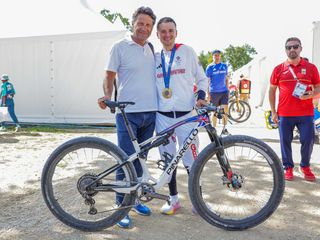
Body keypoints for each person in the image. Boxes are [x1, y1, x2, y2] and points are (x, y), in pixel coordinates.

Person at [98, 6, 157, 228]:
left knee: (141, 161)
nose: (144, 28)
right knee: (125, 161)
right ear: (133, 24)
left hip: (150, 113)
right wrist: (106, 95)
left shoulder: (151, 48)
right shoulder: (119, 47)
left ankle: (134, 201)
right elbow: (109, 74)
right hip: (127, 114)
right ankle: (120, 208)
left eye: (148, 25)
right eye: (140, 23)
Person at [155, 17, 207, 215]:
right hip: (163, 117)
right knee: (169, 160)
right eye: (163, 31)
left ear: (176, 32)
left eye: (171, 31)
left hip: (187, 116)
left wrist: (201, 96)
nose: (167, 35)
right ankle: (173, 199)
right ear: (158, 34)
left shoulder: (187, 51)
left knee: (192, 160)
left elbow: (202, 78)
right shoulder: (154, 56)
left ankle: (197, 201)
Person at [269, 37, 320, 182]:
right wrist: (273, 111)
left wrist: (311, 94)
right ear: (285, 50)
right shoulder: (278, 69)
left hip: (306, 113)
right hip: (285, 113)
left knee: (308, 140)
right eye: (288, 47)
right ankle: (288, 168)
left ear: (301, 48)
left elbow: (318, 86)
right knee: (285, 141)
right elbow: (272, 90)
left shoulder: (311, 68)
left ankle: (305, 166)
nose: (292, 49)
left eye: (295, 46)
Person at [206, 50, 230, 135]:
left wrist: (227, 89)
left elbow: (227, 78)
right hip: (214, 92)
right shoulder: (210, 67)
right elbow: (207, 81)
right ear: (213, 57)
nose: (217, 57)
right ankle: (214, 130)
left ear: (220, 56)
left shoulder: (224, 66)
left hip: (224, 92)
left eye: (218, 55)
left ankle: (224, 128)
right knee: (215, 112)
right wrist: (208, 94)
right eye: (215, 55)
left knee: (225, 111)